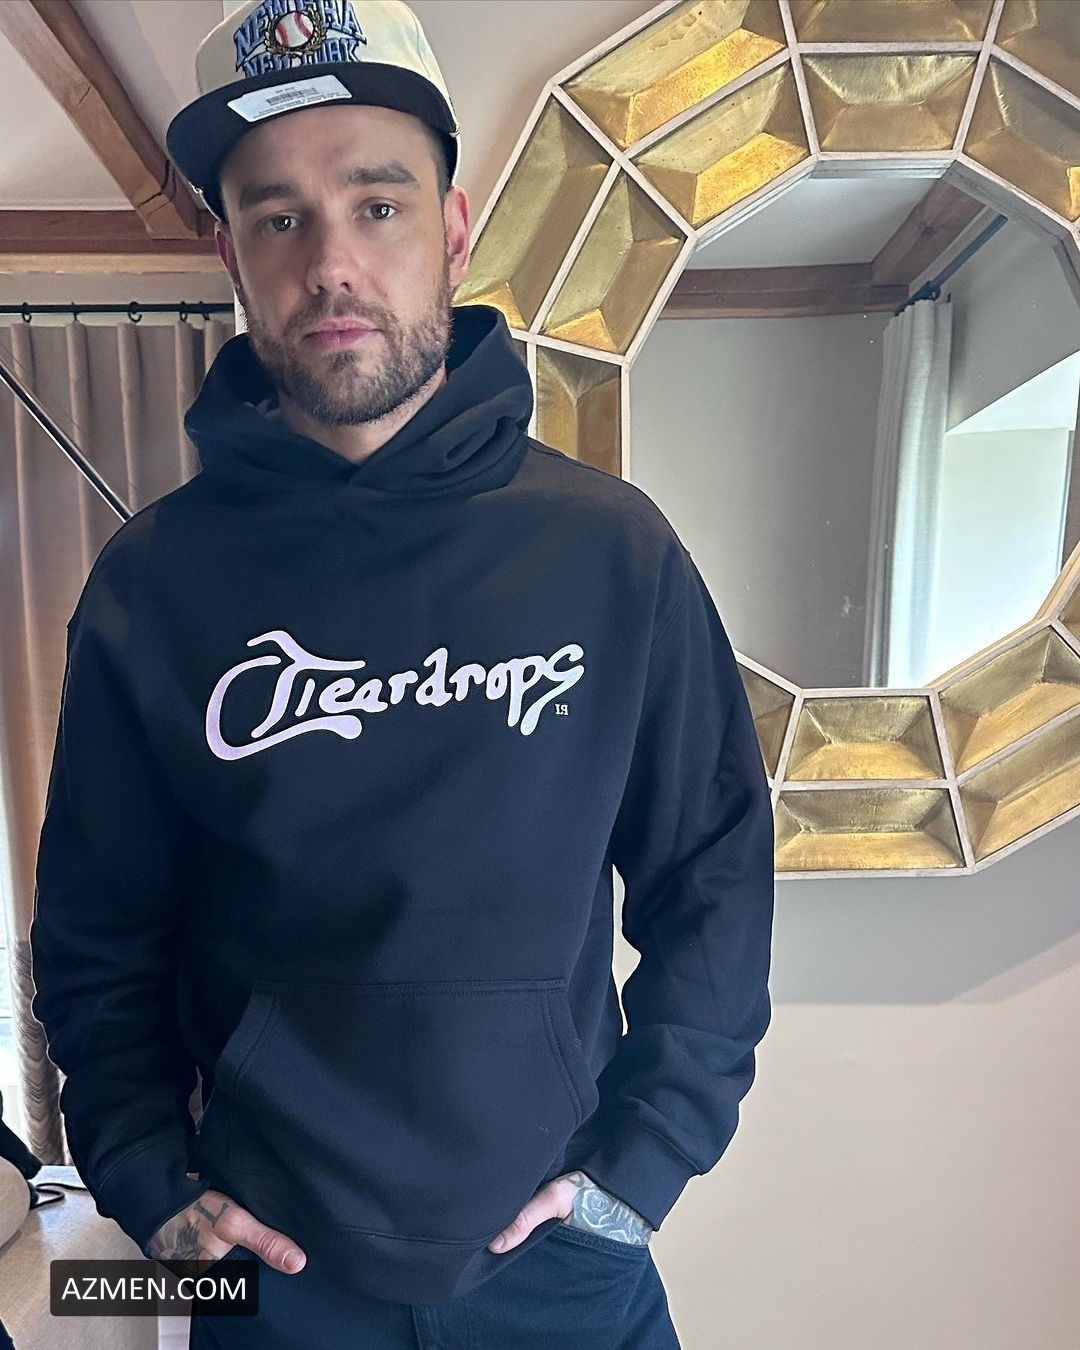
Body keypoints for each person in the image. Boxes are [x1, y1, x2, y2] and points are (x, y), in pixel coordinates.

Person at [29, 1, 775, 1346]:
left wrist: (643, 1167)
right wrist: (146, 1185)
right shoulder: (152, 588)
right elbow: (95, 933)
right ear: (230, 253)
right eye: (279, 218)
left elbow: (713, 877)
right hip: (267, 1278)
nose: (331, 264)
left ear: (453, 230)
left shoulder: (611, 554)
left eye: (377, 206)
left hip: (560, 1273)